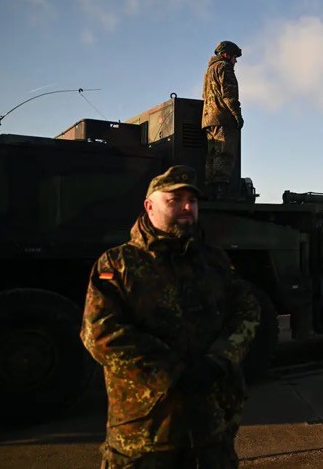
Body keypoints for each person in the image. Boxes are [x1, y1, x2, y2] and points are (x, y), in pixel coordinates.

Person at [81, 165, 261, 468]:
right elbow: (99, 333)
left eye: (192, 200)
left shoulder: (213, 260)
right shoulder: (118, 264)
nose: (187, 207)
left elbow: (246, 309)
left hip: (211, 429)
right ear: (149, 206)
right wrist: (173, 373)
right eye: (174, 200)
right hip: (146, 435)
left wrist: (221, 358)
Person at [202, 40, 244, 200]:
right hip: (223, 118)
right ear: (226, 55)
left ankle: (210, 189)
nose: (235, 61)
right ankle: (221, 191)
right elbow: (229, 95)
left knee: (212, 154)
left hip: (208, 119)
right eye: (234, 56)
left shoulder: (209, 71)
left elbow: (204, 96)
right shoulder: (224, 68)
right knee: (224, 153)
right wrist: (237, 115)